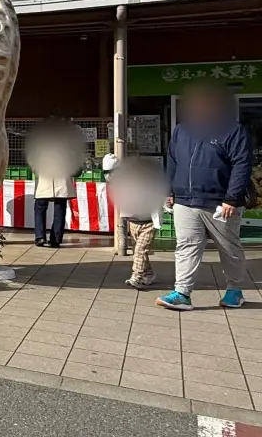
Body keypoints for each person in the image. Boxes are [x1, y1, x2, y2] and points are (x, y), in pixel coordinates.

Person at [157, 83, 252, 311]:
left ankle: (234, 290)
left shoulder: (233, 131)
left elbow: (242, 165)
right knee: (186, 246)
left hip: (220, 202)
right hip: (185, 201)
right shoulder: (181, 130)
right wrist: (169, 190)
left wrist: (232, 198)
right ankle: (182, 293)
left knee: (228, 248)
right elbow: (172, 160)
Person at [104, 153, 164, 289]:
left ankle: (137, 276)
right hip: (134, 221)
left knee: (140, 250)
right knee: (139, 250)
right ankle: (148, 273)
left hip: (149, 222)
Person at [26, 117, 85, 248]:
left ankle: (40, 237)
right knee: (60, 209)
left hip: (44, 179)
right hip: (62, 180)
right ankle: (56, 239)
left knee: (40, 207)